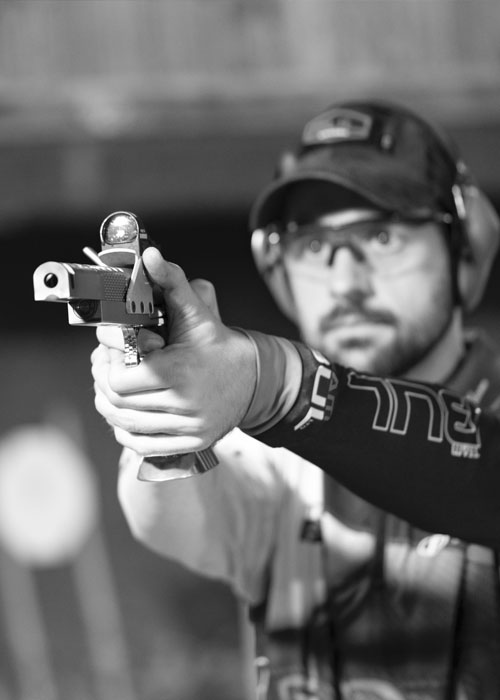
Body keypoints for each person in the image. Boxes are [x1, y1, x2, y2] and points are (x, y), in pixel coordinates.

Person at [91, 100, 500, 699]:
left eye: (382, 236)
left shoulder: (277, 414)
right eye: (312, 246)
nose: (345, 284)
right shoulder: (273, 458)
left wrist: (275, 384)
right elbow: (172, 521)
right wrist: (158, 403)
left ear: (466, 248)